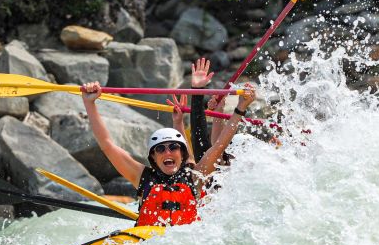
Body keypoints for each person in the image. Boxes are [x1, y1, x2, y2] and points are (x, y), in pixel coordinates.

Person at [80, 80, 256, 227]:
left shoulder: (195, 176)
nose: (167, 152)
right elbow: (107, 145)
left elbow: (219, 146)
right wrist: (90, 103)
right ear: (153, 158)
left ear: (182, 153)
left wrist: (241, 107)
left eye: (173, 147)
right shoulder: (142, 176)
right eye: (160, 149)